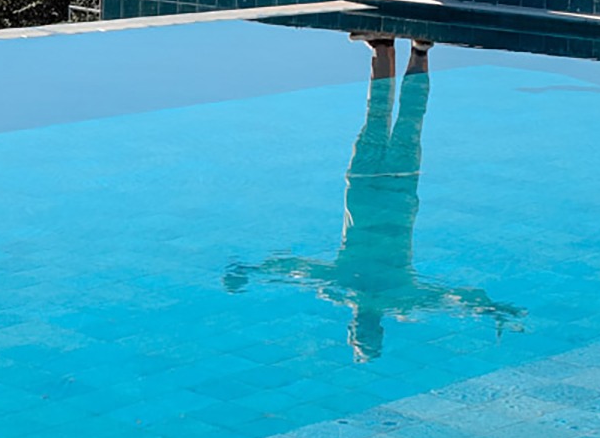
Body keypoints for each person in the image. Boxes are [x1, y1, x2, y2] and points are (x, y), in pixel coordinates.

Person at [222, 33, 524, 361]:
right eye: (364, 335)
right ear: (367, 330)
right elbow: (447, 299)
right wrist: (487, 308)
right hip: (385, 190)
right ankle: (406, 50)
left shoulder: (350, 291)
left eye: (359, 336)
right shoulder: (380, 296)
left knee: (394, 119)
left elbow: (298, 270)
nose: (359, 330)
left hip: (377, 189)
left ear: (354, 330)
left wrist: (254, 269)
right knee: (390, 118)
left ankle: (397, 49)